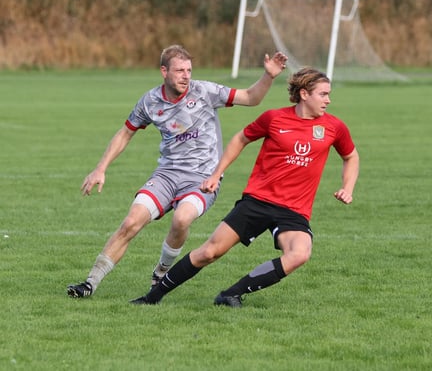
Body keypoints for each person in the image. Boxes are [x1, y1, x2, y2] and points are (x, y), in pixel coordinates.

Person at [67, 45, 288, 298]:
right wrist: (100, 168)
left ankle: (161, 272)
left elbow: (251, 97)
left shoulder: (205, 91)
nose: (186, 75)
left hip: (202, 179)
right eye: (179, 70)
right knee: (131, 222)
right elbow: (126, 131)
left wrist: (268, 76)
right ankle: (89, 283)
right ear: (164, 71)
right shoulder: (150, 101)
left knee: (181, 219)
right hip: (166, 175)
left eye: (189, 70)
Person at [130, 67, 359, 308]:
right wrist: (216, 174)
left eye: (328, 94)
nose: (328, 100)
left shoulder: (334, 127)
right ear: (304, 94)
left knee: (300, 254)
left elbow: (351, 156)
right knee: (209, 252)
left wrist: (348, 187)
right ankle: (152, 297)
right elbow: (241, 138)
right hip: (258, 201)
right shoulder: (274, 118)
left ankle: (230, 294)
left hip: (294, 210)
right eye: (323, 94)